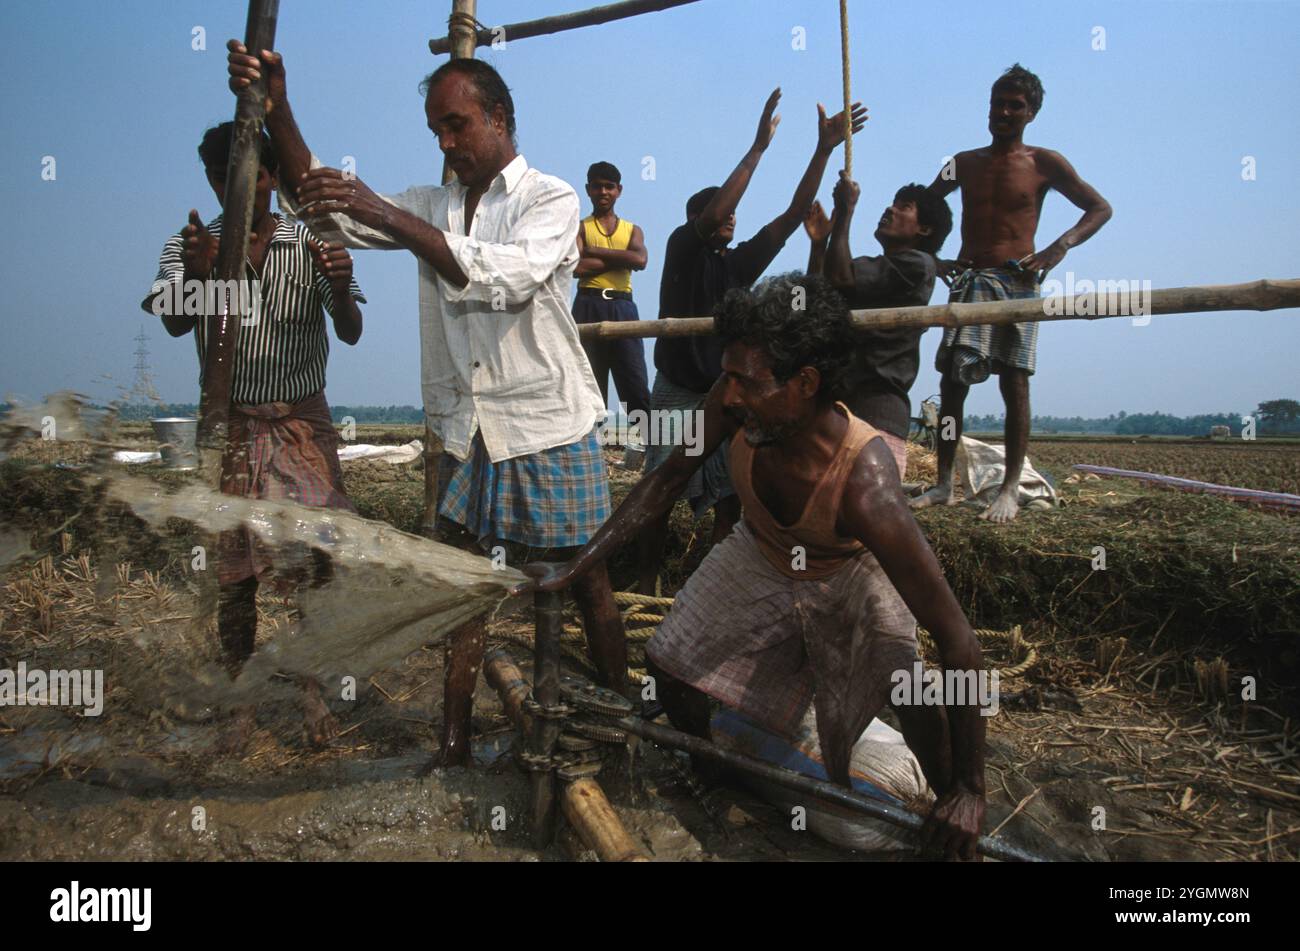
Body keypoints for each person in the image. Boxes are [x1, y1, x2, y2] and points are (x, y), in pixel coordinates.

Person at [227, 44, 629, 768]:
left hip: (546, 423)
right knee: (459, 590)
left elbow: (499, 276)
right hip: (461, 429)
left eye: (456, 125)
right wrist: (280, 104)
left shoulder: (552, 198)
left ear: (500, 119)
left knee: (588, 580)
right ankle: (454, 741)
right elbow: (324, 207)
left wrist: (380, 208)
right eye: (436, 131)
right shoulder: (434, 205)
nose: (445, 143)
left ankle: (623, 717)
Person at [526, 274, 988, 860]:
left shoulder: (868, 489)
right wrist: (578, 565)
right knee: (667, 665)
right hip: (761, 549)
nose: (732, 395)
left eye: (747, 381)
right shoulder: (736, 400)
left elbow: (960, 641)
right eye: (731, 376)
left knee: (908, 682)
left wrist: (972, 787)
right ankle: (712, 772)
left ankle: (953, 814)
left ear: (806, 383)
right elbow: (665, 480)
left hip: (845, 567)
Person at [141, 121, 366, 745]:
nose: (237, 190)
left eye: (250, 178)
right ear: (213, 182)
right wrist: (202, 277)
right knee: (234, 574)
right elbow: (172, 326)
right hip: (232, 423)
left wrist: (343, 286)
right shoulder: (192, 246)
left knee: (309, 565)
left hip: (300, 422)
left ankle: (312, 692)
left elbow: (349, 330)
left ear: (271, 178)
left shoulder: (310, 242)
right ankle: (241, 699)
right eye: (223, 180)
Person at [636, 89, 867, 594]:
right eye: (721, 210)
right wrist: (758, 147)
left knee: (728, 497)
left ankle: (710, 589)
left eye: (734, 211)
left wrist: (823, 150)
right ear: (699, 219)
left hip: (724, 391)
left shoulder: (737, 264)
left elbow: (791, 215)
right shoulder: (682, 246)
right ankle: (645, 583)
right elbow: (720, 205)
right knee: (661, 487)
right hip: (677, 390)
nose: (732, 216)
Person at [915, 64, 1111, 522]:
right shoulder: (961, 162)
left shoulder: (1046, 162)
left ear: (1031, 113)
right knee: (952, 384)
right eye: (998, 102)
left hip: (1017, 281)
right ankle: (944, 483)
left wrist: (1059, 247)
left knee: (1014, 383)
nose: (1003, 111)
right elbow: (923, 206)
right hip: (969, 280)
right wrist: (934, 258)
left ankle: (1008, 489)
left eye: (1014, 105)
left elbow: (1099, 208)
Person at [817, 171, 954, 477]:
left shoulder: (917, 264)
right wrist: (819, 242)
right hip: (844, 400)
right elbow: (826, 286)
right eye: (893, 203)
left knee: (866, 505)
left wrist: (845, 213)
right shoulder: (879, 267)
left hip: (875, 405)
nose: (890, 209)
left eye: (904, 206)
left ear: (925, 229)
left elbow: (840, 278)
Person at [573, 161, 651, 418]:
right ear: (588, 189)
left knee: (634, 382)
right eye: (597, 186)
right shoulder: (580, 227)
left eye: (609, 187)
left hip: (623, 306)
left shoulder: (632, 229)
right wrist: (621, 258)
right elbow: (575, 267)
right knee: (588, 383)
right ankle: (592, 449)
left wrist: (594, 251)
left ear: (619, 190)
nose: (603, 192)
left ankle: (647, 449)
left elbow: (640, 260)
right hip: (588, 304)